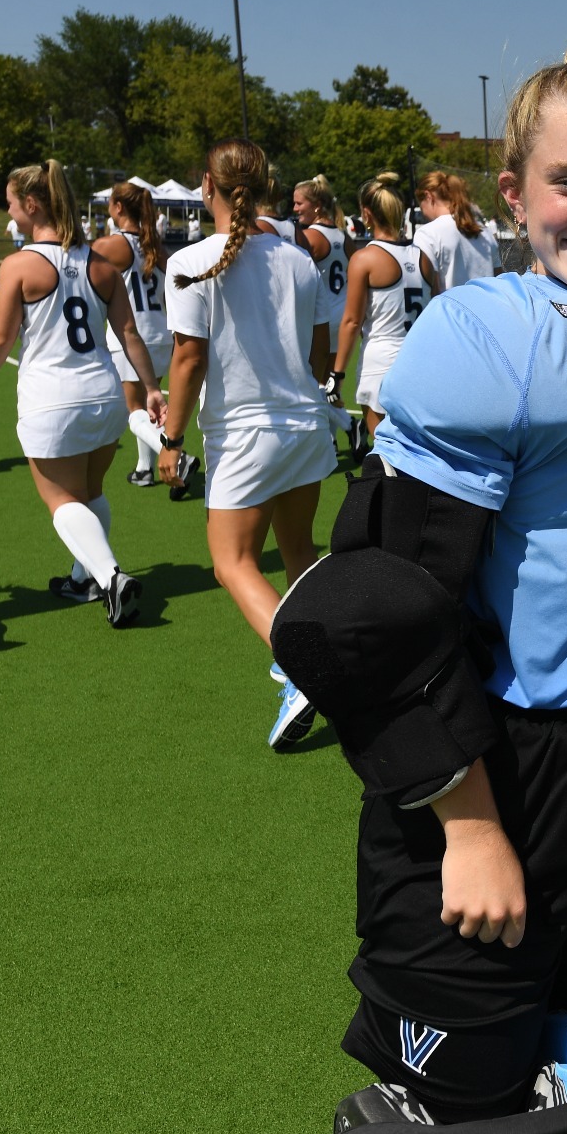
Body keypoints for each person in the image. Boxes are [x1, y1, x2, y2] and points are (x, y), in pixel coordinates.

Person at [270, 39, 567, 1128]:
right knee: (460, 1104)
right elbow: (375, 610)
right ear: (514, 193)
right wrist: (470, 821)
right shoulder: (483, 332)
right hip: (513, 759)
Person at [159, 138, 337, 742]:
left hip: (244, 435)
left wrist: (170, 439)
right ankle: (323, 658)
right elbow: (319, 352)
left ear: (207, 186)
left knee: (232, 564)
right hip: (305, 426)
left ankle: (307, 668)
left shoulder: (190, 260)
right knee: (297, 553)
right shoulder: (299, 259)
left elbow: (188, 360)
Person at [0, 160, 165, 627]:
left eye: (11, 204)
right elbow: (129, 333)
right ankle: (83, 578)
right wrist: (153, 388)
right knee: (91, 493)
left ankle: (110, 577)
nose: (9, 213)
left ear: (32, 204)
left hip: (51, 399)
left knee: (62, 501)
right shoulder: (102, 263)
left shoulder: (19, 264)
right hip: (104, 396)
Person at [101, 180, 194, 494]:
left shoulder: (115, 244)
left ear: (118, 207)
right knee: (150, 407)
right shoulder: (154, 244)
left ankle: (179, 459)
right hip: (161, 333)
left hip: (131, 336)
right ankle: (144, 469)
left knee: (135, 411)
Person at [331, 173, 426, 443]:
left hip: (381, 366)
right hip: (420, 363)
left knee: (385, 450)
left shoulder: (365, 259)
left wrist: (337, 374)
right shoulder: (424, 257)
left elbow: (352, 321)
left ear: (367, 214)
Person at [294, 173, 364, 461]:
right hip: (342, 317)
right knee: (328, 384)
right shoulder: (342, 236)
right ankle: (330, 441)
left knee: (313, 385)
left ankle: (350, 425)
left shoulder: (310, 236)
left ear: (317, 206)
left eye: (299, 203)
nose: (295, 209)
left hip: (321, 319)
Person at [412, 171, 490, 293]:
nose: (423, 212)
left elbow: (430, 291)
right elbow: (499, 283)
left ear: (428, 196)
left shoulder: (427, 234)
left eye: (421, 205)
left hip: (448, 305)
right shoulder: (485, 232)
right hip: (486, 305)